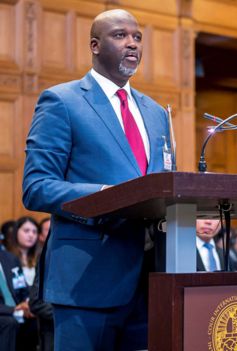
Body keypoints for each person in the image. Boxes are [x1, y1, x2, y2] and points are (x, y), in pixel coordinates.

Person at [22, 9, 171, 350]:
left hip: (153, 281)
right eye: (120, 35)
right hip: (88, 280)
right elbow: (36, 187)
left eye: (137, 37)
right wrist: (106, 196)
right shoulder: (62, 101)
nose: (132, 43)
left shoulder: (155, 112)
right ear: (94, 44)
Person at [0, 249, 34, 351]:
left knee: (40, 316)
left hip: (19, 310)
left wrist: (29, 303)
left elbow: (23, 289)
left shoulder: (10, 258)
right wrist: (13, 309)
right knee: (9, 323)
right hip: (4, 312)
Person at [5, 217, 39, 286]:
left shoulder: (39, 257)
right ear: (16, 232)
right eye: (26, 231)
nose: (31, 235)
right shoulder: (6, 257)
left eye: (34, 232)